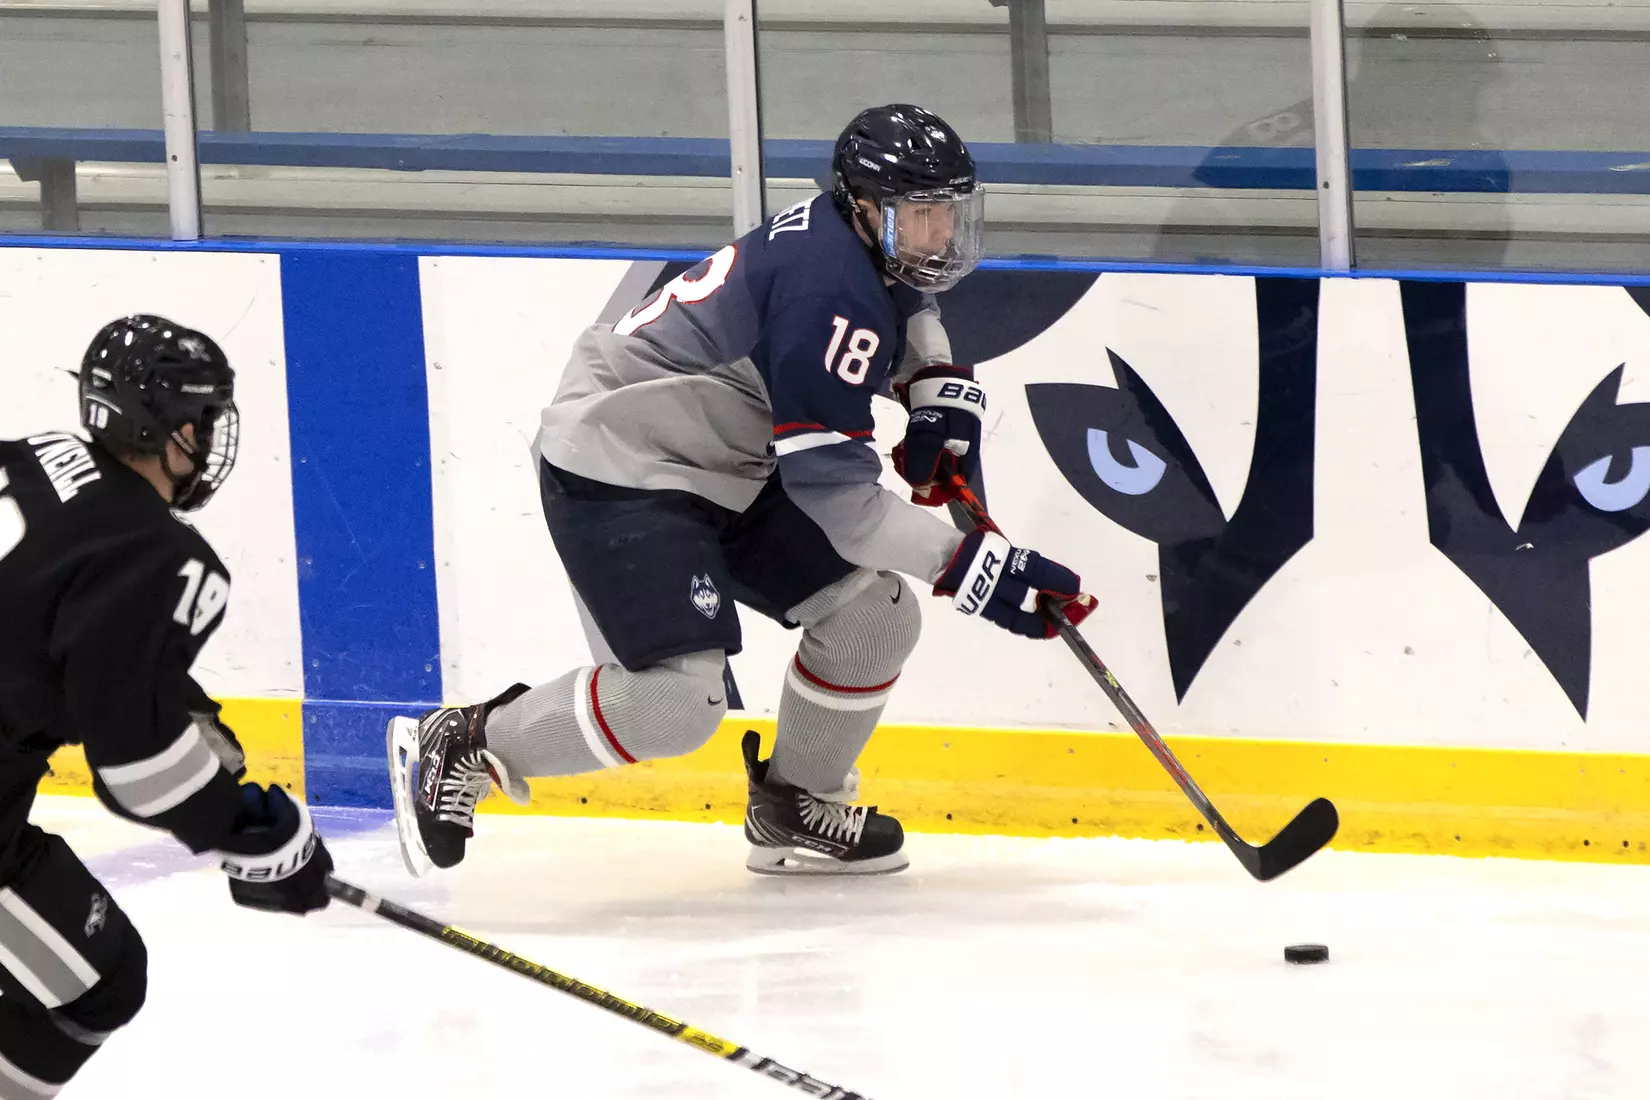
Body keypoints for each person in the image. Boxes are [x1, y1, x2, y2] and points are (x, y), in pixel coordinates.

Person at [388, 104, 1094, 879]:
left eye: (948, 212)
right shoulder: (827, 292)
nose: (940, 235)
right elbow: (844, 506)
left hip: (724, 459)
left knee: (872, 618)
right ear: (864, 207)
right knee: (674, 704)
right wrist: (975, 568)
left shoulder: (853, 245)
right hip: (624, 464)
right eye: (920, 215)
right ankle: (466, 740)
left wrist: (932, 386)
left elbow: (909, 304)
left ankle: (794, 803)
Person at [0, 315, 332, 1096]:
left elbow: (47, 625)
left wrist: (181, 704)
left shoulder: (33, 460)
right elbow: (135, 764)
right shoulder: (159, 553)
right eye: (203, 419)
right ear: (169, 429)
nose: (207, 439)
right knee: (101, 981)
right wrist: (248, 833)